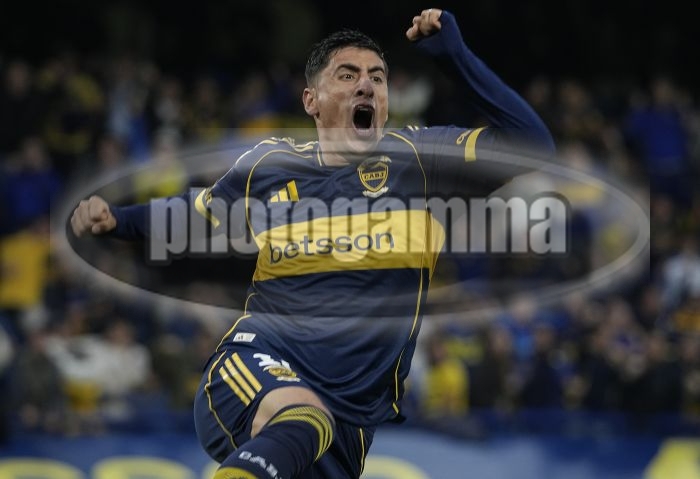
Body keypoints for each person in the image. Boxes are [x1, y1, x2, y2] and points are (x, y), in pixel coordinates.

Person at [71, 8, 554, 479]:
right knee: (303, 419)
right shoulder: (270, 167)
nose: (366, 84)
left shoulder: (422, 161)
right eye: (347, 75)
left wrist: (455, 57)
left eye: (378, 77)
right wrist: (118, 220)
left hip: (349, 423)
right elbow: (194, 215)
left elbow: (532, 143)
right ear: (311, 101)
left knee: (310, 426)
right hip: (258, 365)